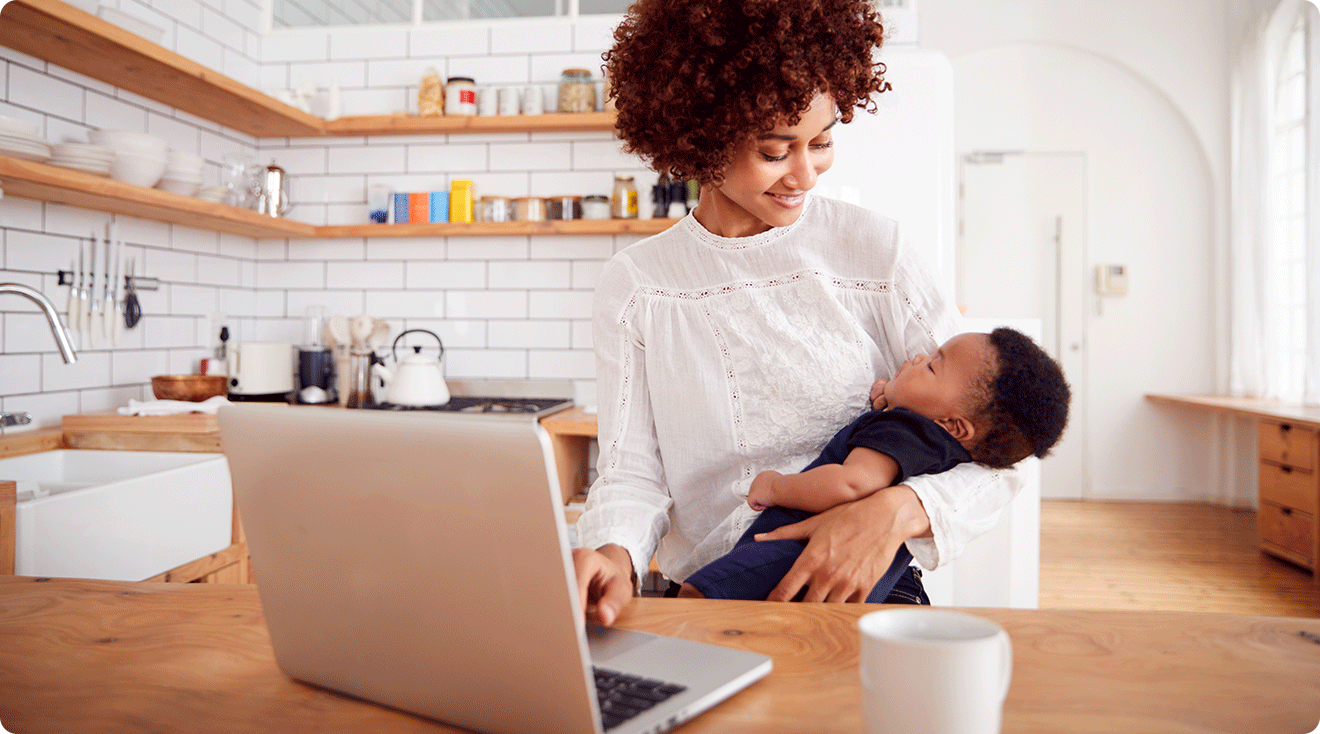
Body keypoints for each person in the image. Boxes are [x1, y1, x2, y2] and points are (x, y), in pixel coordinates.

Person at [573, 0, 1028, 625]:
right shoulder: (638, 286)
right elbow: (630, 473)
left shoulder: (875, 252)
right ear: (701, 138)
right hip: (706, 598)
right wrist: (610, 556)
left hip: (863, 596)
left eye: (821, 142)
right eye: (775, 150)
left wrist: (890, 513)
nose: (805, 174)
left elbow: (997, 443)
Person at [678, 327, 1071, 602]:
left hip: (793, 553)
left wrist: (777, 486)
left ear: (952, 424)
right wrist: (898, 395)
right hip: (871, 582)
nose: (919, 356)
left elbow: (853, 484)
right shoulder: (944, 446)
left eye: (933, 365)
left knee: (698, 596)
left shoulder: (901, 428)